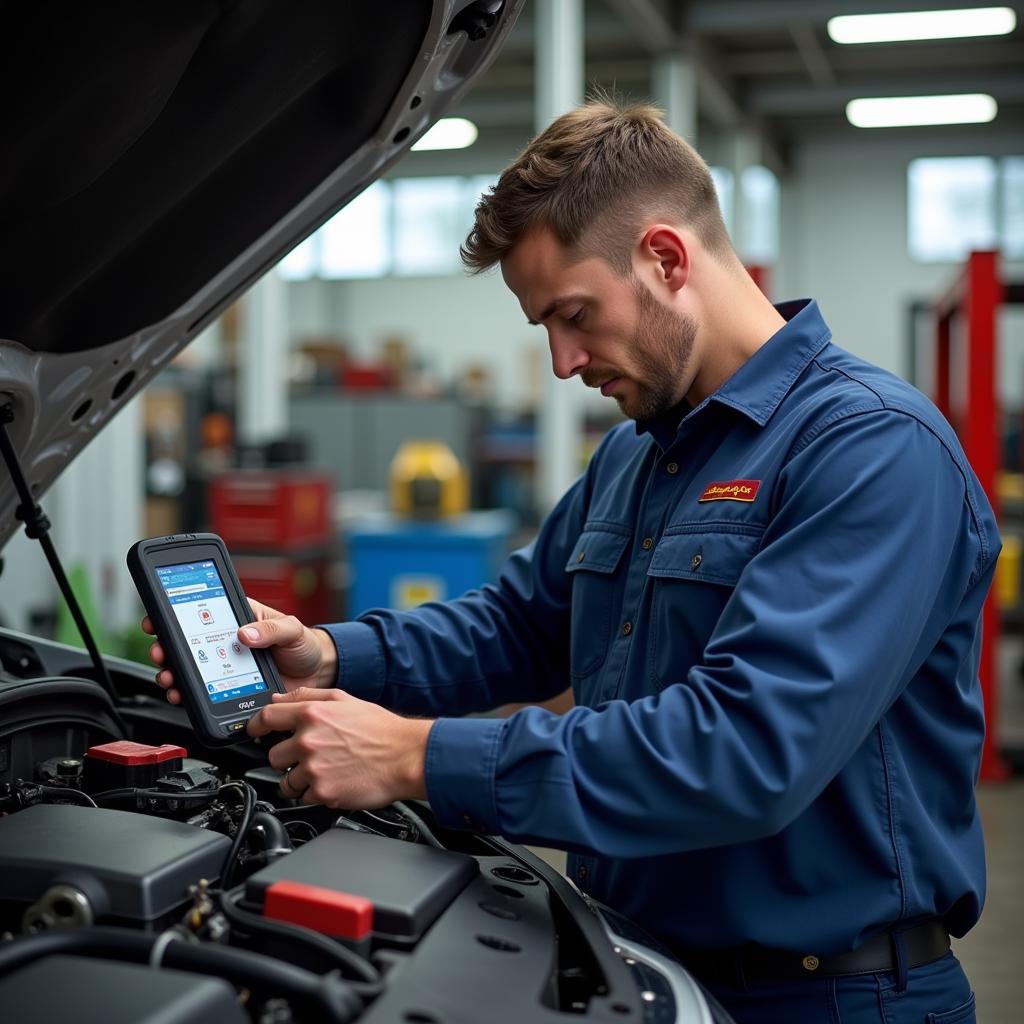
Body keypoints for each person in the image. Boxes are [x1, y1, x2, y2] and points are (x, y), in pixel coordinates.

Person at [147, 101, 995, 1023]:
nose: (561, 363)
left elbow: (746, 751)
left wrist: (421, 757)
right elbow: (519, 623)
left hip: (830, 995)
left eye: (574, 314)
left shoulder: (870, 449)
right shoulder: (638, 453)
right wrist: (331, 654)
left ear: (667, 259)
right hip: (632, 963)